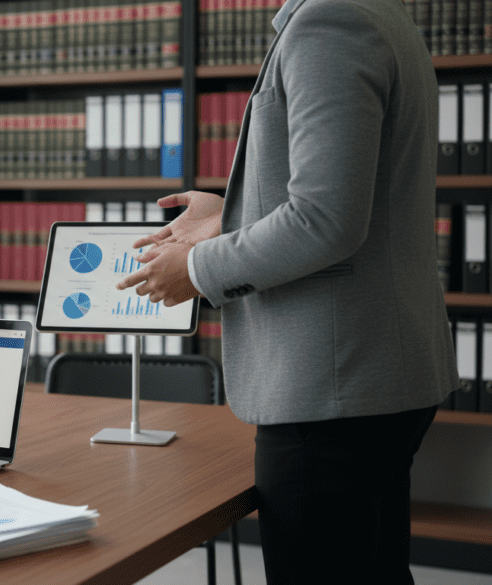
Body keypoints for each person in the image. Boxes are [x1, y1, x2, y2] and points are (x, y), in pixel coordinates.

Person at [116, 0, 459, 582]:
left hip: (330, 383)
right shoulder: (379, 11)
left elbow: (325, 221)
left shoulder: (331, 21)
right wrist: (229, 216)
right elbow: (355, 203)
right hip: (372, 373)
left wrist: (198, 267)